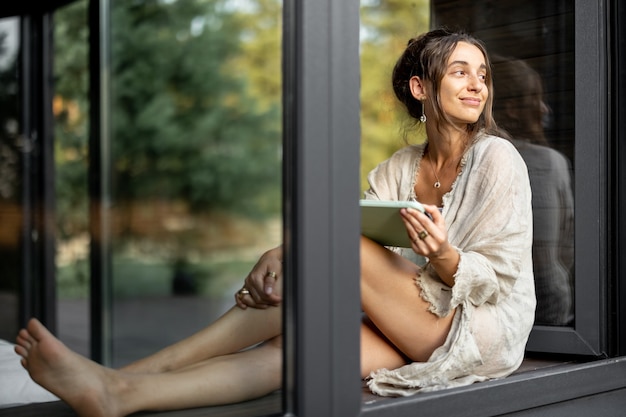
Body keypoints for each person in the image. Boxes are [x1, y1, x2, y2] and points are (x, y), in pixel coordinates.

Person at [13, 28, 536, 416]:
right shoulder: (397, 168)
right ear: (421, 88)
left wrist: (444, 256)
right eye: (461, 71)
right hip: (414, 316)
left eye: (482, 74)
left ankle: (123, 374)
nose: (477, 85)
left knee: (338, 249)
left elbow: (498, 281)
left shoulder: (497, 160)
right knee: (292, 350)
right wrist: (280, 256)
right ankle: (119, 390)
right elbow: (354, 233)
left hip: (476, 329)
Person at [491, 56, 574, 325]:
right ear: (513, 108)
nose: (545, 109)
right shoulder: (549, 162)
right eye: (536, 98)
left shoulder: (469, 160)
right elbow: (566, 244)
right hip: (550, 304)